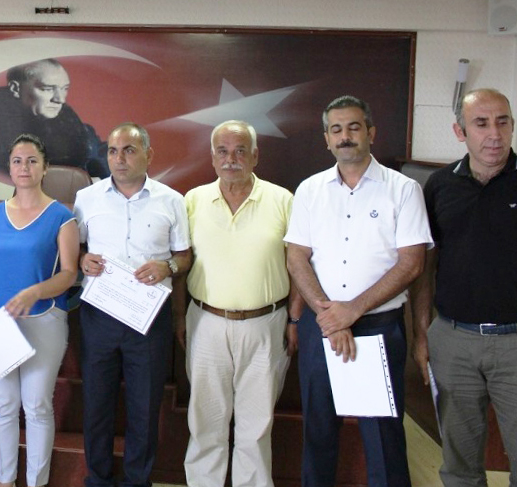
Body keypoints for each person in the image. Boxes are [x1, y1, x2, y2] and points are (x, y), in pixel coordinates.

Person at [284, 95, 432, 487]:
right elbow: (296, 257)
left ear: (371, 132)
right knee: (318, 432)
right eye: (336, 129)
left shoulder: (403, 189)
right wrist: (330, 316)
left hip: (378, 328)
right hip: (321, 328)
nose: (345, 136)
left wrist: (352, 310)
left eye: (353, 127)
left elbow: (412, 263)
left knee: (383, 438)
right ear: (326, 139)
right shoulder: (310, 190)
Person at [176, 120, 303, 487]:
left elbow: (299, 265)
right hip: (205, 322)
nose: (231, 159)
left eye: (240, 151)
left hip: (267, 324)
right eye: (223, 151)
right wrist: (179, 317)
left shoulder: (283, 200)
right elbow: (182, 263)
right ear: (212, 157)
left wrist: (294, 319)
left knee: (256, 424)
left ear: (255, 156)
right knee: (205, 421)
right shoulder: (193, 200)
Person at [74, 123, 192, 487]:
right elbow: (75, 248)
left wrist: (167, 267)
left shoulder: (172, 200)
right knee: (97, 405)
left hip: (149, 319)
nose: (119, 158)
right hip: (99, 316)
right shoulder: (86, 198)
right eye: (113, 151)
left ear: (148, 155)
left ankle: (137, 481)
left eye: (129, 150)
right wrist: (81, 260)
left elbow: (184, 256)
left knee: (144, 407)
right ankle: (98, 479)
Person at [411, 88, 517, 487]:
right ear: (460, 131)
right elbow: (425, 266)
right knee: (459, 463)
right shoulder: (439, 185)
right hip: (454, 341)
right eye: (481, 123)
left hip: (515, 343)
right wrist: (422, 333)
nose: (494, 134)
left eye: (503, 122)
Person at [0, 133, 79, 487]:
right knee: (2, 404)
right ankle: (5, 480)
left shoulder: (61, 216)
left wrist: (35, 291)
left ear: (45, 168)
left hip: (44, 320)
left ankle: (36, 482)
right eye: (17, 161)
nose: (24, 167)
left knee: (36, 406)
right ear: (9, 167)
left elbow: (69, 273)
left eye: (32, 161)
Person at [0, 58, 109, 180]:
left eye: (64, 89)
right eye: (48, 89)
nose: (60, 99)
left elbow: (96, 153)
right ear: (16, 88)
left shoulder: (69, 120)